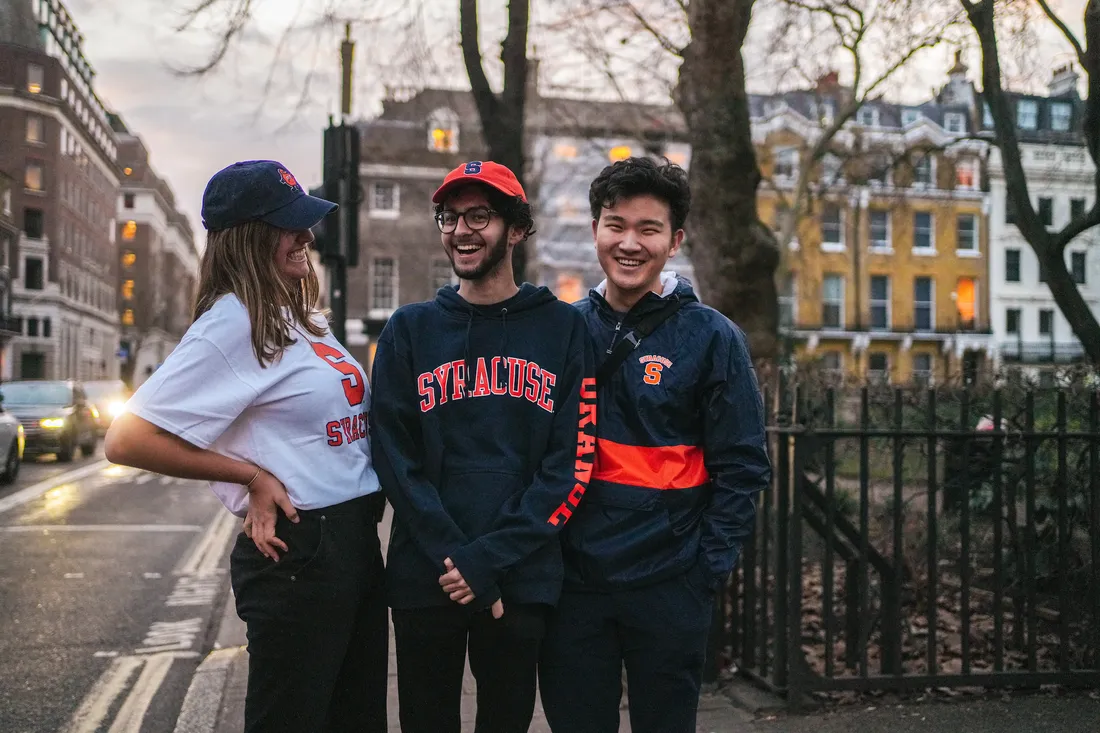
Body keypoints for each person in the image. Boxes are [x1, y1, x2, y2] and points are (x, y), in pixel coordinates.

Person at [104, 160, 387, 733]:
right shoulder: (232, 323)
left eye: (306, 224)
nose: (307, 237)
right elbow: (126, 438)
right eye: (290, 226)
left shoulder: (299, 312)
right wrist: (249, 477)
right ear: (248, 238)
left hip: (354, 544)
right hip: (301, 555)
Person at [539, 156, 771, 733]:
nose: (630, 243)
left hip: (669, 583)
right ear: (595, 229)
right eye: (616, 225)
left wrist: (704, 572)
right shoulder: (562, 331)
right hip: (574, 586)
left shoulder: (713, 338)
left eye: (649, 229)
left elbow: (743, 466)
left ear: (675, 242)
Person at [369, 160, 597, 733]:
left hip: (519, 576)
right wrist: (460, 559)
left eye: (480, 215)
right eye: (450, 216)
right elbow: (394, 459)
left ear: (516, 229)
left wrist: (488, 559)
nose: (461, 230)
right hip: (428, 573)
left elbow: (571, 465)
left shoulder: (563, 330)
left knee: (506, 721)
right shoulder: (408, 329)